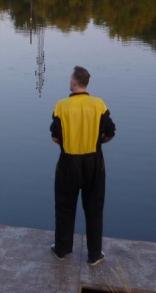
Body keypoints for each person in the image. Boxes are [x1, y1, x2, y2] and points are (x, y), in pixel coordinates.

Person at [49, 65, 116, 267]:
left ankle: (61, 250)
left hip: (68, 163)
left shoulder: (61, 106)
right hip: (94, 163)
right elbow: (111, 132)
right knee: (94, 209)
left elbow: (54, 137)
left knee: (65, 207)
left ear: (75, 82)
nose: (70, 81)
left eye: (71, 79)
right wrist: (98, 142)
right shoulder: (99, 104)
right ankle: (94, 255)